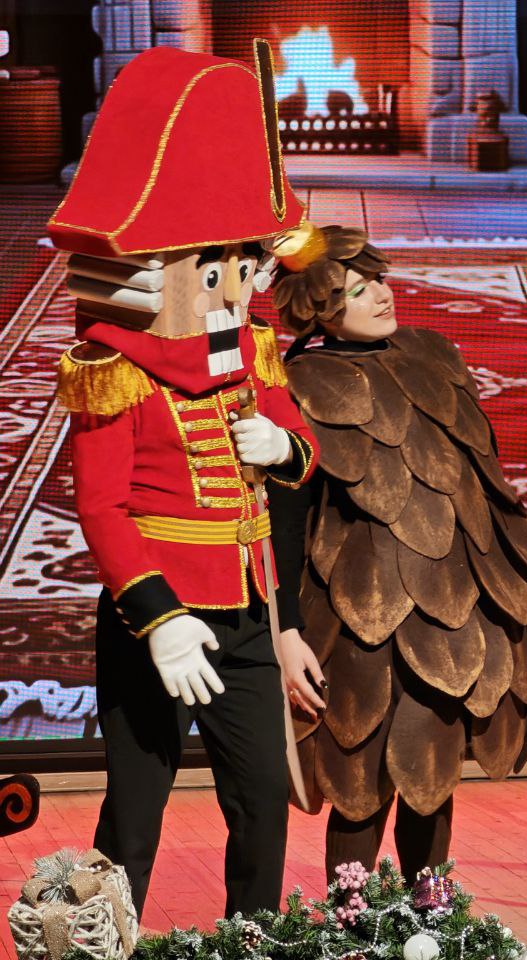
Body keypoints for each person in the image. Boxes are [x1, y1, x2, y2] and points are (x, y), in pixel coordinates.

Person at [49, 46, 318, 915]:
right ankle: (97, 943)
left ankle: (254, 939)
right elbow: (102, 508)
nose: (243, 285)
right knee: (134, 816)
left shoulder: (251, 349)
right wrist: (160, 620)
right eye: (224, 267)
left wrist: (282, 448)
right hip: (158, 621)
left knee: (263, 799)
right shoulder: (112, 368)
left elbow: (302, 442)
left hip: (246, 609)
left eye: (246, 264)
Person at [265, 221, 527, 884]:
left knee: (432, 769)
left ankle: (432, 918)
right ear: (317, 307)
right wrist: (285, 631)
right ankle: (351, 924)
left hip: (450, 609)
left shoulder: (433, 356)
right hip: (356, 615)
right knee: (360, 774)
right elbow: (283, 521)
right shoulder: (300, 383)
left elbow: (480, 485)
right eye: (354, 289)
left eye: (377, 280)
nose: (380, 295)